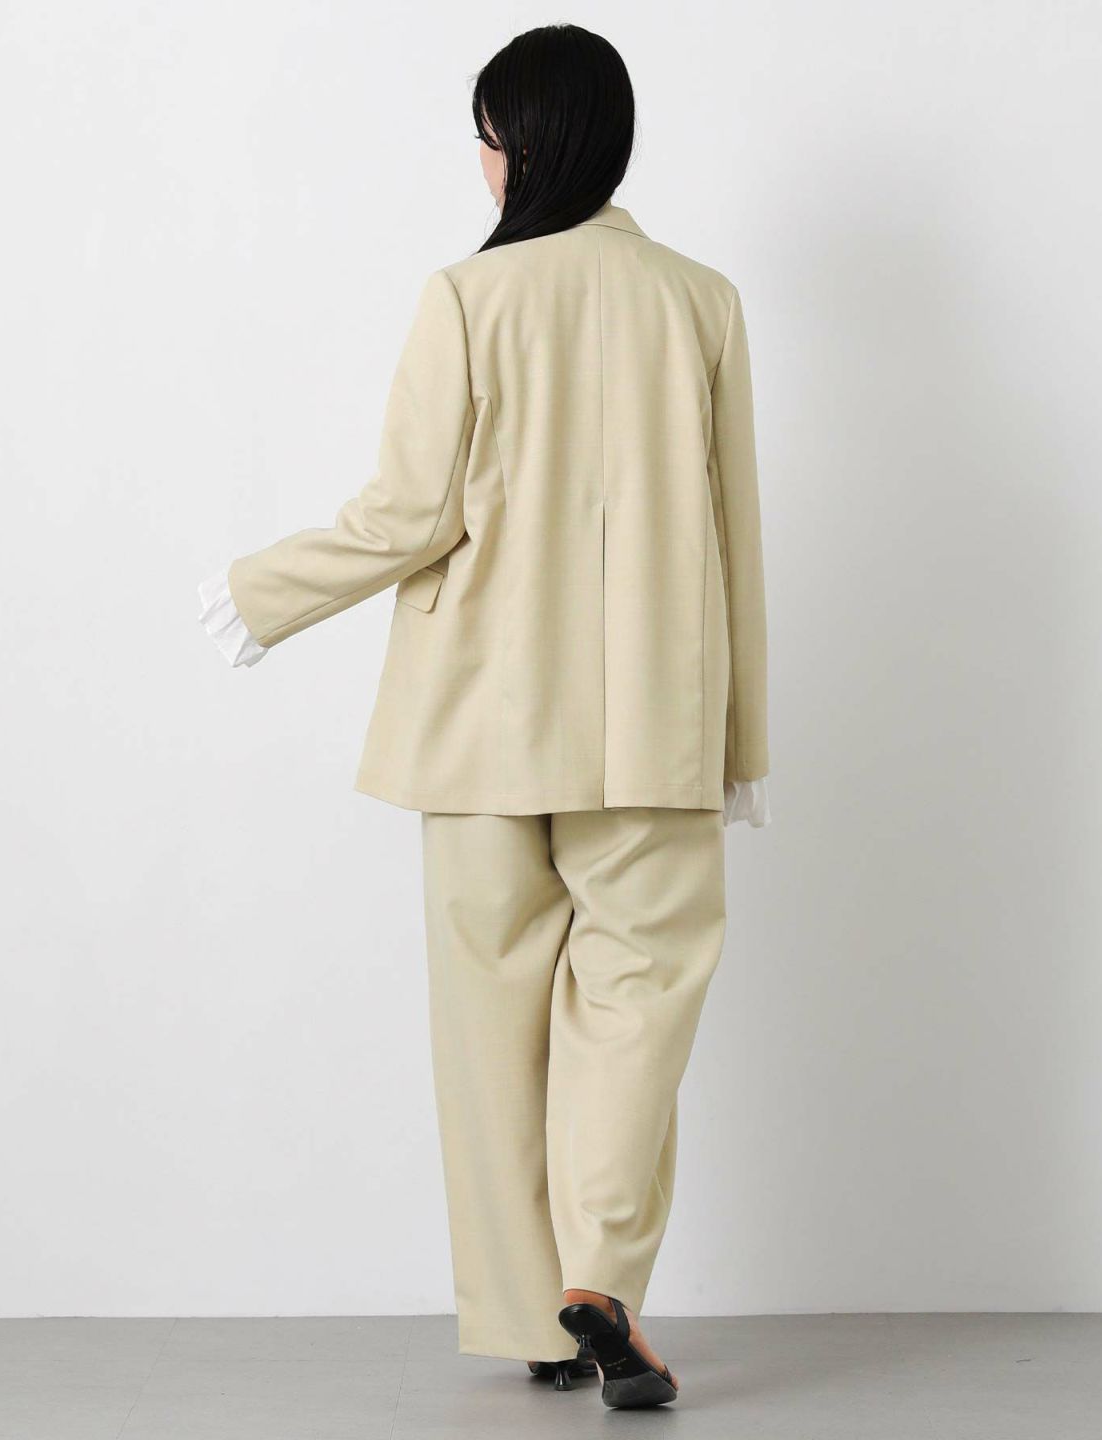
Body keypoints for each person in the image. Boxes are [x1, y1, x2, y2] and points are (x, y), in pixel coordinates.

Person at [198, 22, 769, 1411]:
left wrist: (263, 594)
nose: (481, 159)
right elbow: (733, 535)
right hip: (656, 727)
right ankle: (601, 1282)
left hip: (481, 727)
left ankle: (534, 1318)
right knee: (636, 1012)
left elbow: (412, 513)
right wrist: (741, 741)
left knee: (489, 1029)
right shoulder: (701, 302)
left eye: (488, 136)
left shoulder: (468, 296)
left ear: (516, 148)